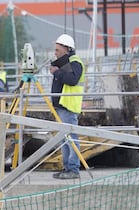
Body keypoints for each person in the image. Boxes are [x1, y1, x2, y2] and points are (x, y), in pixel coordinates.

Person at [49, 34, 85, 179]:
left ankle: (73, 169)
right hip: (61, 106)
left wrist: (57, 72)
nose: (55, 53)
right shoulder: (65, 63)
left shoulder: (75, 63)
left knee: (71, 138)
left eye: (58, 50)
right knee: (64, 139)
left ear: (66, 49)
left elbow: (72, 80)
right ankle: (67, 167)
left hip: (68, 106)